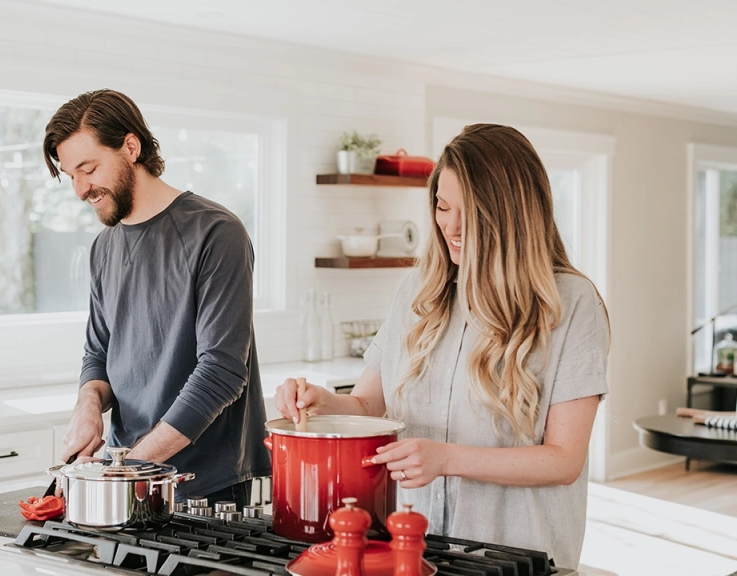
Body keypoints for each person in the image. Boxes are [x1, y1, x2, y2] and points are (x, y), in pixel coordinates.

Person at [275, 124, 609, 569]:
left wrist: (447, 458)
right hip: (413, 550)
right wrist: (324, 404)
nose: (451, 226)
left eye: (469, 211)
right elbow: (371, 404)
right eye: (442, 206)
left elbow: (564, 459)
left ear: (513, 214)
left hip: (513, 556)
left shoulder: (571, 303)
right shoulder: (418, 290)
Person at [43, 89, 271, 507]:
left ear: (131, 147)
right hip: (125, 474)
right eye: (70, 174)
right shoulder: (104, 247)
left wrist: (127, 470)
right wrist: (88, 405)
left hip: (206, 486)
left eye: (88, 168)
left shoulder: (216, 233)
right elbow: (99, 353)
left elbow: (222, 371)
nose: (79, 189)